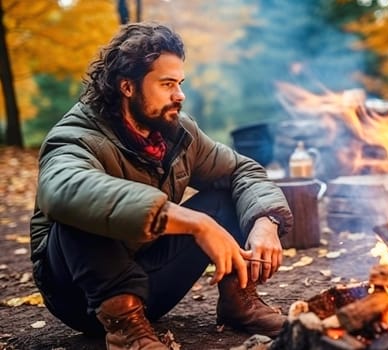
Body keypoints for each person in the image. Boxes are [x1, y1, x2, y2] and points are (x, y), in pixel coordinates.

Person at [30, 22, 293, 350]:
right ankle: (127, 332)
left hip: (152, 285)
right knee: (81, 207)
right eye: (167, 84)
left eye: (180, 83)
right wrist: (195, 223)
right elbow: (63, 191)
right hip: (83, 299)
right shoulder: (75, 136)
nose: (179, 95)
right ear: (127, 87)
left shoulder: (178, 132)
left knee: (226, 194)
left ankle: (239, 303)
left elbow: (242, 169)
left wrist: (265, 221)